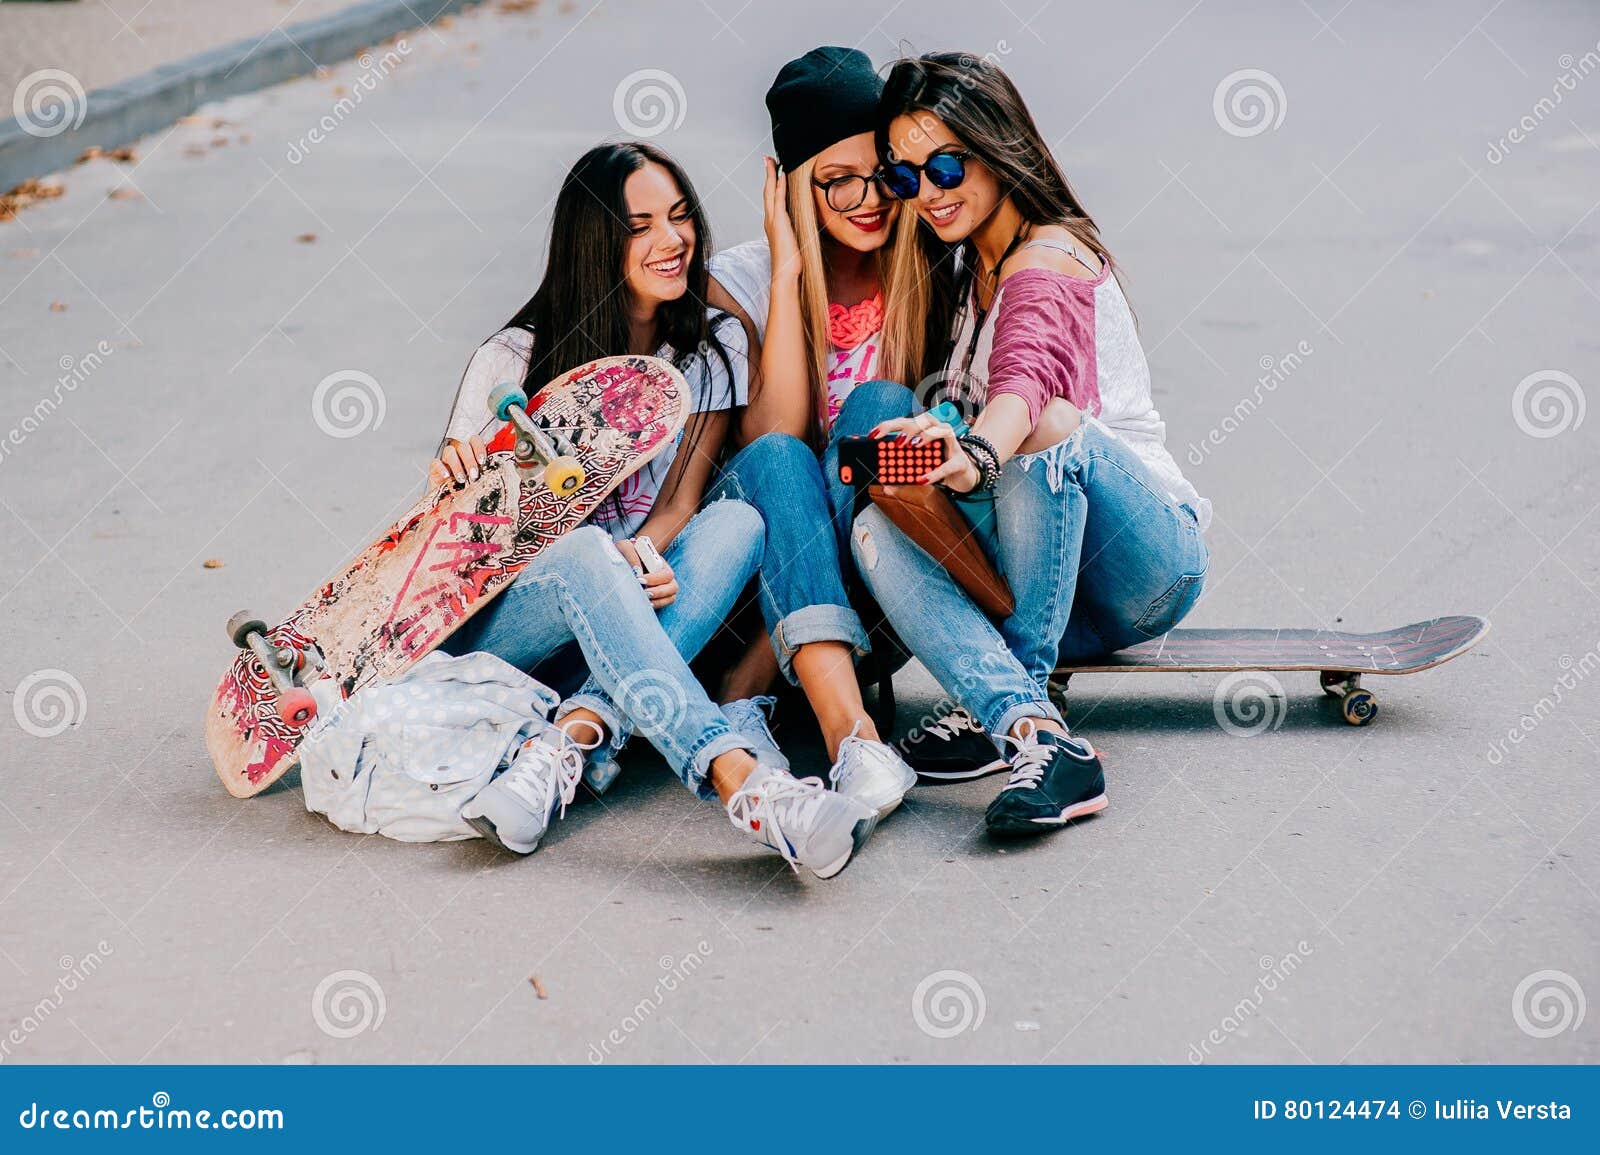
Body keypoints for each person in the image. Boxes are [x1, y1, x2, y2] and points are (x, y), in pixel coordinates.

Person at [433, 142, 879, 878]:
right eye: (640, 227)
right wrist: (453, 476)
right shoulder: (512, 360)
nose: (672, 240)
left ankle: (570, 739)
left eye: (680, 217)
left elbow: (679, 502)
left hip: (631, 618)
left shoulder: (710, 345)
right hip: (522, 622)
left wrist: (643, 556)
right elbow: (460, 551)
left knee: (739, 522)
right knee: (585, 553)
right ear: (595, 241)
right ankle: (746, 785)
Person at [840, 52, 1213, 835]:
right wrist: (939, 437)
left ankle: (1023, 680)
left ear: (998, 148)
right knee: (875, 525)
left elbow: (1027, 382)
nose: (928, 192)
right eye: (906, 177)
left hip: (1141, 564)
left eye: (946, 166)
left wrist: (977, 452)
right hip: (1044, 578)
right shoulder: (965, 265)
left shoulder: (1049, 256)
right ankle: (1028, 727)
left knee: (1046, 426)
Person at [703, 46, 936, 818]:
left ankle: (751, 683)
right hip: (756, 573)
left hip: (877, 578)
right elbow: (776, 434)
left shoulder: (923, 268)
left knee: (880, 407)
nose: (869, 199)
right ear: (793, 182)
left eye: (881, 173)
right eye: (838, 179)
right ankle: (853, 739)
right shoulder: (738, 281)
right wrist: (788, 273)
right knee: (779, 456)